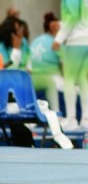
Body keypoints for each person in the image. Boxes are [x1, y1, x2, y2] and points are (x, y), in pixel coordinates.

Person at [0, 15, 73, 149]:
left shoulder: (24, 43)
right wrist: (16, 50)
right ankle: (28, 144)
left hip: (25, 89)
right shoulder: (1, 48)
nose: (21, 33)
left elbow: (28, 65)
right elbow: (8, 74)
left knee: (44, 112)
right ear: (10, 34)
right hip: (6, 96)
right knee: (16, 119)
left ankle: (60, 142)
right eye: (17, 30)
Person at [53, 0, 88, 131]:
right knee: (83, 79)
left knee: (69, 79)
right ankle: (86, 120)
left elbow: (72, 16)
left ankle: (71, 118)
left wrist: (59, 38)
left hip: (77, 40)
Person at [30, 12, 63, 113]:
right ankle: (59, 115)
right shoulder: (56, 43)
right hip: (51, 78)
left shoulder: (35, 41)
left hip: (31, 79)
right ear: (54, 28)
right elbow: (65, 65)